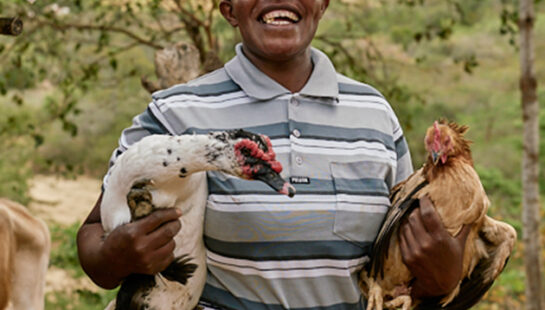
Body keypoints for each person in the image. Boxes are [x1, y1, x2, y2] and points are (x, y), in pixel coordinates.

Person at [77, 0, 471, 309]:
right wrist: (117, 254)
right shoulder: (174, 113)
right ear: (229, 9)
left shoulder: (375, 115)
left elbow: (404, 250)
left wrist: (445, 277)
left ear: (323, 3)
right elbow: (95, 234)